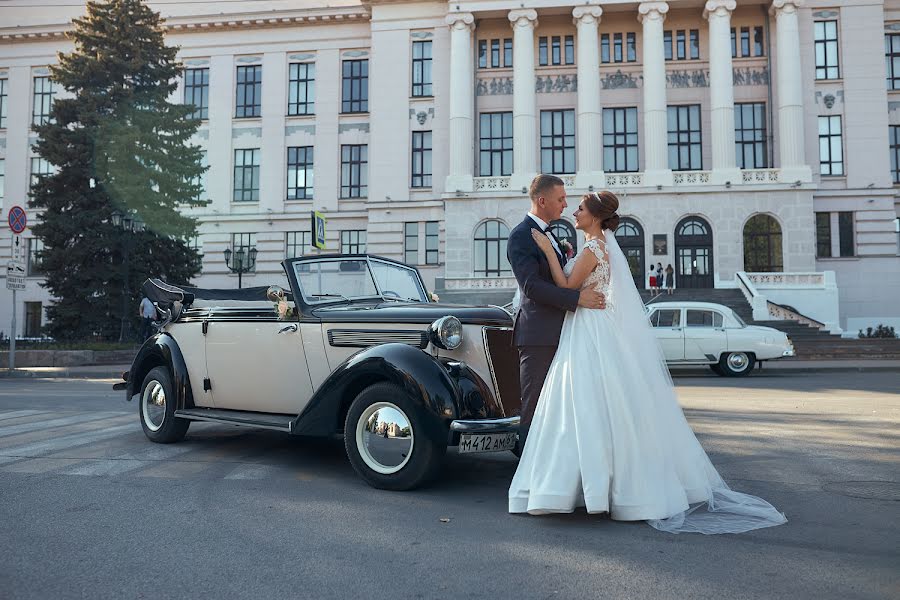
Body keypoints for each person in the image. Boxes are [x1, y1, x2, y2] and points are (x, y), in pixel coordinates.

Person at [508, 190, 786, 534]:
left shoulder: (593, 248)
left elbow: (566, 284)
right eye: (567, 201)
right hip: (589, 326)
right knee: (601, 405)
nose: (572, 210)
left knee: (581, 405)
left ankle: (582, 486)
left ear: (594, 217)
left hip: (587, 328)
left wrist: (551, 253)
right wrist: (569, 279)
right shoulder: (597, 246)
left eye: (578, 206)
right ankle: (600, 484)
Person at [506, 174, 606, 454]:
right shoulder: (520, 236)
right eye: (560, 199)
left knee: (560, 407)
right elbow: (532, 286)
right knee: (535, 407)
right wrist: (577, 298)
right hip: (539, 336)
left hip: (566, 332)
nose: (565, 204)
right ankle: (527, 476)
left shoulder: (552, 235)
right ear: (542, 200)